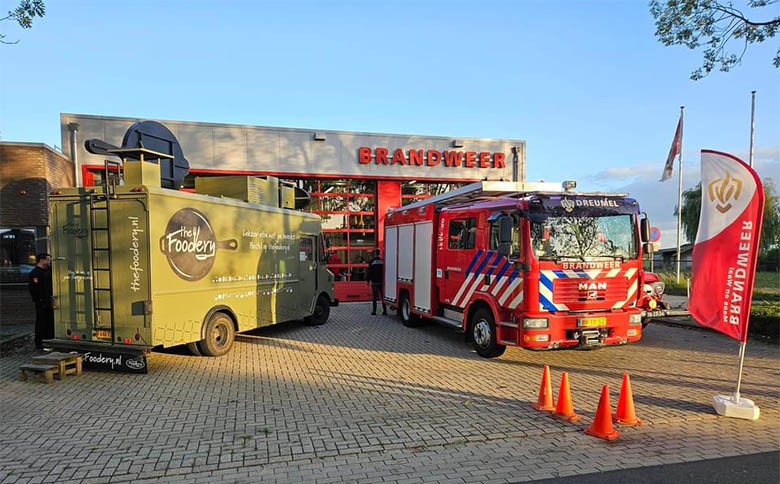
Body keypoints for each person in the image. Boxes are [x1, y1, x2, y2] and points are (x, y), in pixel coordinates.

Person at [28, 253, 54, 349]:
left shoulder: (48, 271)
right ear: (41, 260)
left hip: (48, 301)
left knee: (49, 321)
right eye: (47, 260)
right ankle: (40, 342)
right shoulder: (35, 273)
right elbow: (33, 289)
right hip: (41, 302)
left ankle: (49, 340)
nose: (49, 262)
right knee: (42, 322)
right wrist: (39, 300)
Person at [367, 248, 387, 316]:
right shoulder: (382, 261)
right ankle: (385, 311)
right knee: (382, 296)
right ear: (379, 253)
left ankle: (374, 311)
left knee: (375, 297)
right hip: (382, 281)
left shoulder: (372, 261)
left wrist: (368, 280)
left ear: (375, 254)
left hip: (375, 281)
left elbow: (370, 272)